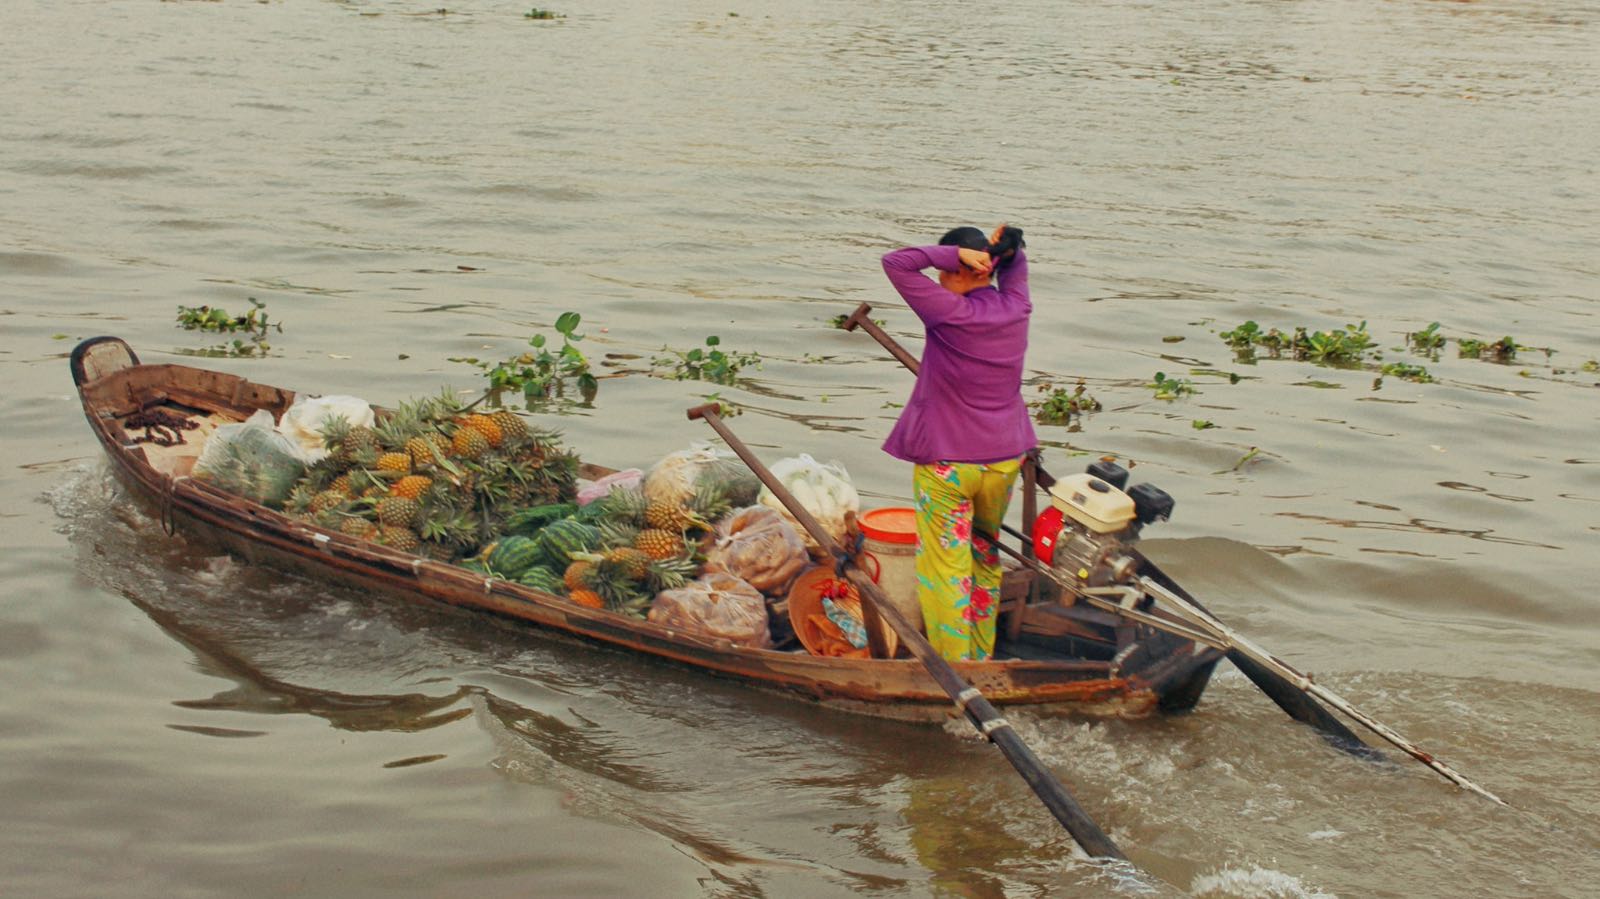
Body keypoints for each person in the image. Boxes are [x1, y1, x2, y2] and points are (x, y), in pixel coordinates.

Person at [880, 224, 1035, 662]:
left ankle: (954, 668)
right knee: (984, 556)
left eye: (948, 269)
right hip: (1003, 461)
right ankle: (980, 656)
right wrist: (1002, 249)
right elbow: (1017, 263)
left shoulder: (948, 311)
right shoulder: (1016, 306)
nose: (940, 278)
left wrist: (950, 256)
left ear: (963, 269)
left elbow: (897, 262)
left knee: (945, 568)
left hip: (950, 465)